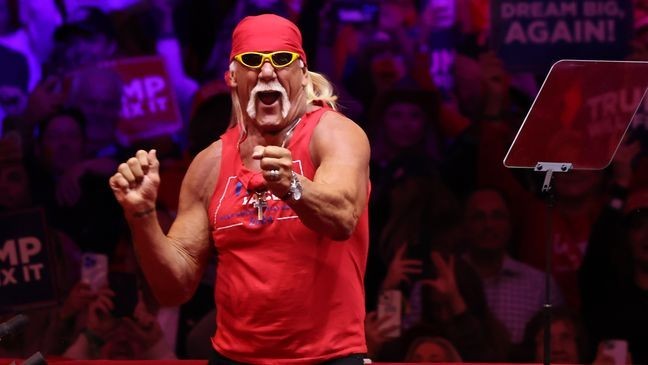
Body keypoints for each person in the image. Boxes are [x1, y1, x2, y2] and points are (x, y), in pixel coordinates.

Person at [109, 13, 371, 364]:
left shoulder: (335, 134)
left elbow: (342, 217)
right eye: (252, 61)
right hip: (234, 358)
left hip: (327, 357)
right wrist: (141, 216)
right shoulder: (210, 164)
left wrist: (291, 185)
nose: (266, 72)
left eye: (281, 60)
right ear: (233, 77)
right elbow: (174, 288)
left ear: (302, 75)